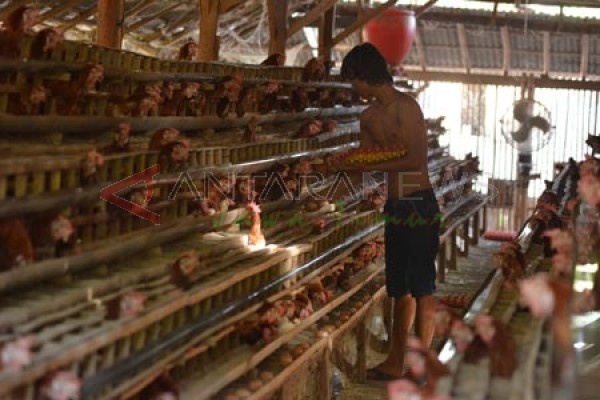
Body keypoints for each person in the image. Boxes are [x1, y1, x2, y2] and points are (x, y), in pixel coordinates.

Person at [338, 43, 441, 380]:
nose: (353, 88)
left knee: (423, 286)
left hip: (418, 202)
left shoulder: (406, 108)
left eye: (354, 80)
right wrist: (333, 179)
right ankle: (397, 361)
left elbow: (413, 160)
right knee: (399, 288)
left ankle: (421, 362)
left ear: (364, 76)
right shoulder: (368, 118)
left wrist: (367, 161)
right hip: (396, 205)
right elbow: (364, 166)